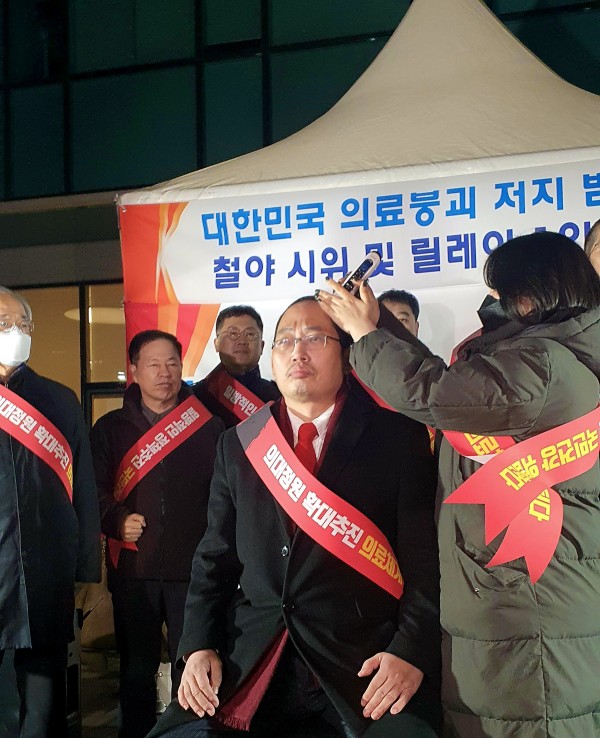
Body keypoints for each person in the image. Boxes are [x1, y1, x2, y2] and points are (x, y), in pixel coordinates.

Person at [316, 231, 600, 737]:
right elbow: (455, 388)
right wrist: (378, 324)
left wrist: (364, 332)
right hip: (518, 593)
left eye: (497, 291)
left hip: (527, 609)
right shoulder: (548, 355)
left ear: (530, 295)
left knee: (531, 719)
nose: (489, 301)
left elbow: (434, 392)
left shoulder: (543, 365)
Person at [148, 296, 441, 738]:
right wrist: (198, 645)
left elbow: (424, 563)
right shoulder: (239, 444)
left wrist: (410, 651)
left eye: (314, 339)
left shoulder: (398, 438)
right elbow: (214, 559)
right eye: (285, 341)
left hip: (360, 665)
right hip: (253, 662)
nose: (297, 352)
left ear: (346, 355)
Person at [91, 330, 225, 738]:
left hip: (195, 574)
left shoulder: (209, 426)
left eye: (172, 363)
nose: (165, 373)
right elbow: (92, 491)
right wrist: (116, 520)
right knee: (136, 670)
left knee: (195, 669)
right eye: (153, 364)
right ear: (134, 370)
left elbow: (225, 496)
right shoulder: (110, 428)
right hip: (135, 569)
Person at [0, 286, 101, 738]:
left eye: (23, 324)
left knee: (43, 707)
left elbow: (84, 491)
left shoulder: (60, 400)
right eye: (4, 324)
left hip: (46, 573)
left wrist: (85, 570)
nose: (16, 332)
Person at [194, 305, 280, 427]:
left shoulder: (280, 398)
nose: (242, 341)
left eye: (250, 334)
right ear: (216, 344)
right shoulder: (196, 398)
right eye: (233, 333)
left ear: (262, 346)